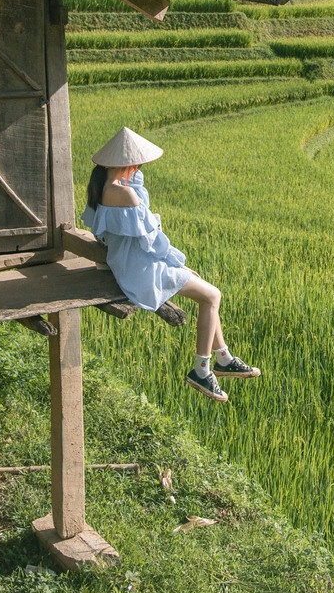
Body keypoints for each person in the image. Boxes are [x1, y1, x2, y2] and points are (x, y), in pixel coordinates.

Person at [81, 127, 259, 402]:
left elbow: (104, 233)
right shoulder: (126, 195)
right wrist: (179, 264)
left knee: (206, 293)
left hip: (128, 264)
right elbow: (152, 242)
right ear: (131, 164)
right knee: (212, 295)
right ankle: (201, 370)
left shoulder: (103, 187)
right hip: (141, 270)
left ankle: (224, 358)